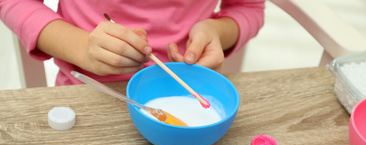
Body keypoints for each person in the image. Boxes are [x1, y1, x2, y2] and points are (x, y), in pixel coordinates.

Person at [0, 1, 265, 86]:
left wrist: (216, 30)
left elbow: (248, 7)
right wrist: (81, 47)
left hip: (190, 93)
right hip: (85, 94)